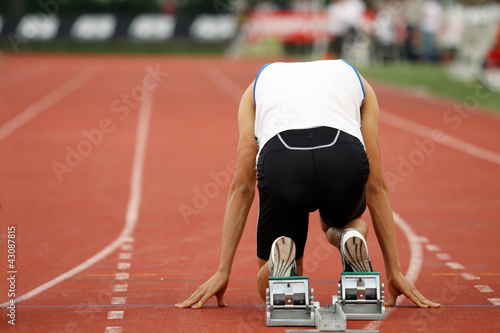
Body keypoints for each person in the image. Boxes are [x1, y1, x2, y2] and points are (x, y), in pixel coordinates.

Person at [175, 59, 440, 310]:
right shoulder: (357, 80)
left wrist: (224, 271)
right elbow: (376, 185)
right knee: (348, 222)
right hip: (342, 156)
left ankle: (283, 257)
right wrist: (394, 271)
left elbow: (242, 186)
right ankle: (348, 236)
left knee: (277, 290)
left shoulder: (256, 87)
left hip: (282, 161)